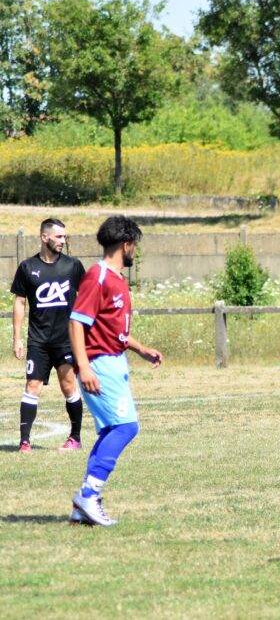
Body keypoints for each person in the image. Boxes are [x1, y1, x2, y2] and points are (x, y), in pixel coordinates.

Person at [68, 216, 163, 526]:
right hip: (99, 364)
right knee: (125, 428)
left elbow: (112, 328)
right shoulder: (98, 277)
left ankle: (83, 504)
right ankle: (89, 495)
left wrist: (140, 349)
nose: (135, 251)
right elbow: (77, 322)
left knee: (113, 430)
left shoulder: (118, 278)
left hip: (114, 361)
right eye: (135, 245)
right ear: (126, 245)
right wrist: (83, 367)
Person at [10, 219, 87, 454]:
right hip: (38, 341)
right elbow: (20, 302)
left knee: (68, 386)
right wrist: (17, 338)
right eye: (59, 237)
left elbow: (87, 298)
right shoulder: (27, 267)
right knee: (32, 386)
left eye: (64, 237)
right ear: (45, 237)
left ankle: (75, 438)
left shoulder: (73, 266)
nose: (63, 241)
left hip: (65, 340)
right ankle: (24, 442)